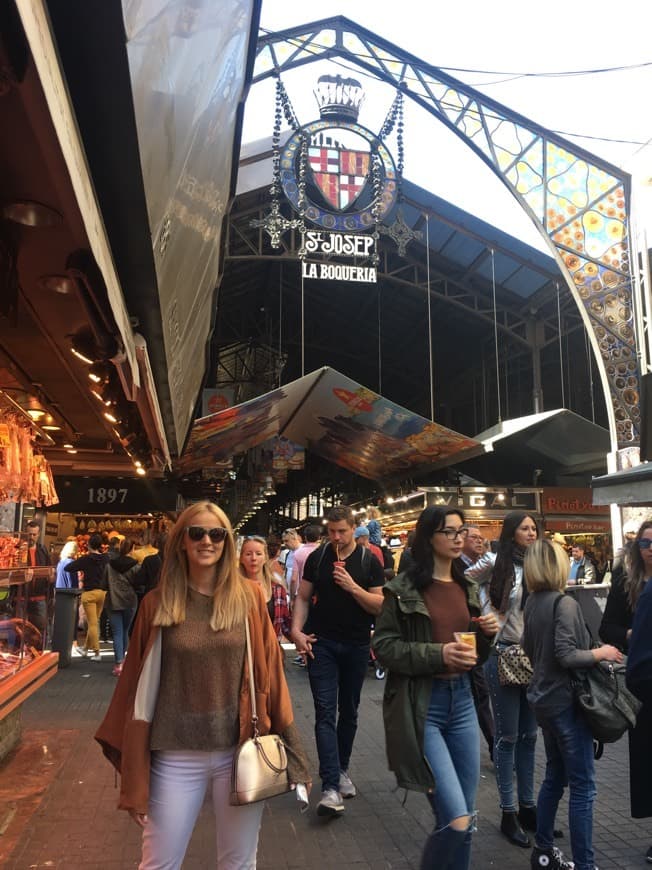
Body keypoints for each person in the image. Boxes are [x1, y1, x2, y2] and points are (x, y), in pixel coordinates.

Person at [95, 501, 310, 870]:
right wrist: (133, 769)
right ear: (181, 541)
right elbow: (134, 687)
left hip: (239, 751)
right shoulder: (157, 603)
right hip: (174, 754)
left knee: (239, 863)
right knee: (158, 862)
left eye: (217, 534)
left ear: (227, 542)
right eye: (197, 533)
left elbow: (270, 673)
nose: (206, 541)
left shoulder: (248, 599)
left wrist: (294, 752)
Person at [373, 506, 498, 870]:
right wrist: (439, 654)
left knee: (467, 820)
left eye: (462, 531)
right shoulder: (401, 589)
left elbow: (474, 654)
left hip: (462, 703)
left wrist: (485, 636)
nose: (459, 538)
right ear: (430, 537)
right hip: (421, 708)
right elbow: (384, 647)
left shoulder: (468, 586)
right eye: (450, 531)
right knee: (456, 819)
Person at [522, 538, 622, 870]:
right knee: (583, 787)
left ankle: (544, 851)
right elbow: (567, 655)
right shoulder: (563, 604)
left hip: (544, 701)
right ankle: (585, 864)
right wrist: (601, 652)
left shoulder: (533, 601)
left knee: (555, 777)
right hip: (566, 702)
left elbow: (528, 647)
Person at [290, 504, 384, 817]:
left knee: (351, 712)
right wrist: (296, 630)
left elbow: (378, 606)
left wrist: (352, 586)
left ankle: (341, 769)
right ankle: (330, 785)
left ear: (354, 529)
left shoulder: (369, 560)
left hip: (357, 645)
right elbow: (303, 597)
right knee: (325, 711)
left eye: (342, 531)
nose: (336, 537)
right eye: (331, 532)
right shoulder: (318, 557)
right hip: (323, 644)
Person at [464, 510, 539, 847]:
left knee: (530, 736)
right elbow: (465, 580)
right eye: (525, 528)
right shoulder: (495, 561)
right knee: (507, 737)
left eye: (535, 528)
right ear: (512, 533)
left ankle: (528, 808)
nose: (531, 533)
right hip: (502, 654)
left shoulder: (541, 563)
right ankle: (508, 813)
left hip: (535, 657)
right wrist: (485, 611)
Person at [600, 518, 652, 866]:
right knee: (648, 763)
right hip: (642, 679)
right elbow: (607, 627)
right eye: (646, 543)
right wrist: (632, 636)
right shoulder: (625, 581)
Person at [460, 524, 495, 762]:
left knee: (480, 693)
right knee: (479, 693)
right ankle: (495, 746)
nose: (479, 541)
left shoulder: (480, 566)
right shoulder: (457, 568)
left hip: (481, 635)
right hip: (464, 637)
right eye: (474, 537)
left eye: (481, 538)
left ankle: (494, 745)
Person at [64, 532, 109, 661]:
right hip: (102, 593)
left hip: (89, 593)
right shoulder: (106, 558)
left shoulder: (85, 559)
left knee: (92, 624)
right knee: (95, 622)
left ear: (89, 545)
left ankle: (97, 653)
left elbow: (68, 568)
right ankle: (85, 649)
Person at [240, 535, 291, 641]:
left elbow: (285, 625)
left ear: (265, 557)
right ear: (241, 558)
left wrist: (300, 639)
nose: (253, 558)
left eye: (258, 554)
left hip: (271, 653)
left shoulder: (278, 590)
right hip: (242, 654)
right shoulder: (233, 590)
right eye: (248, 554)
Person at [106, 538, 139, 676]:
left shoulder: (109, 565)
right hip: (129, 601)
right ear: (132, 549)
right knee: (125, 630)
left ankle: (118, 662)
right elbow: (138, 583)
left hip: (113, 601)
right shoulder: (136, 566)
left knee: (117, 632)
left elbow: (103, 582)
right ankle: (123, 660)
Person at [25, 519, 53, 641]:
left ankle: (39, 654)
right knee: (20, 629)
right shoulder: (18, 550)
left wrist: (51, 577)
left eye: (34, 534)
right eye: (29, 534)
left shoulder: (43, 550)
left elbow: (49, 569)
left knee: (41, 629)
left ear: (38, 534)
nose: (31, 537)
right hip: (21, 597)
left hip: (39, 596)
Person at [289, 525, 321, 601]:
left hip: (304, 594)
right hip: (321, 594)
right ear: (319, 537)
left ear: (305, 537)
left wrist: (292, 599)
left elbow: (293, 579)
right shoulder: (323, 552)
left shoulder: (298, 553)